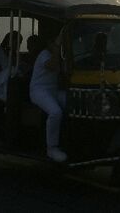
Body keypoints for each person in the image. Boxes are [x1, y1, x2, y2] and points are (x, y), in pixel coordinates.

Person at [30, 32, 68, 162]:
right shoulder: (44, 55)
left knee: (73, 103)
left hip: (53, 90)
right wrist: (58, 46)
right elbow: (52, 66)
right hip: (39, 90)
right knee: (55, 112)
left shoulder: (60, 55)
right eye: (53, 43)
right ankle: (52, 148)